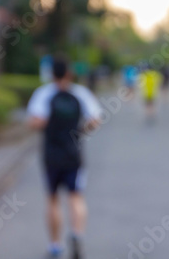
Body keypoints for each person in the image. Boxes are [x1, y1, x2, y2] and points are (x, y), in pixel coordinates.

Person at [27, 56, 102, 259]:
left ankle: (55, 245)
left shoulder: (44, 94)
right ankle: (76, 234)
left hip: (51, 154)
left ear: (51, 74)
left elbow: (34, 122)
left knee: (52, 198)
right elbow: (95, 121)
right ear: (69, 73)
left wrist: (51, 123)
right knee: (76, 196)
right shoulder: (80, 94)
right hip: (73, 154)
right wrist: (79, 130)